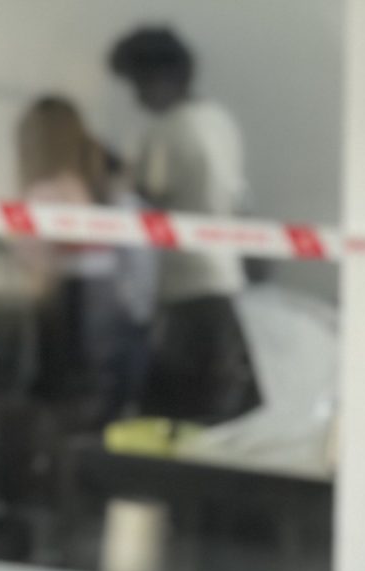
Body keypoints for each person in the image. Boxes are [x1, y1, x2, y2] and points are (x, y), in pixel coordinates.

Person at [108, 26, 258, 425]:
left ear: (162, 76)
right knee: (216, 403)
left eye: (139, 83)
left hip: (185, 287)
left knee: (172, 408)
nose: (137, 97)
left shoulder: (168, 129)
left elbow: (148, 195)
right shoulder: (218, 120)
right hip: (225, 281)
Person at [16, 96, 154, 425]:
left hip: (72, 305)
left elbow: (30, 258)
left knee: (71, 408)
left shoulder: (48, 192)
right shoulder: (106, 185)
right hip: (110, 307)